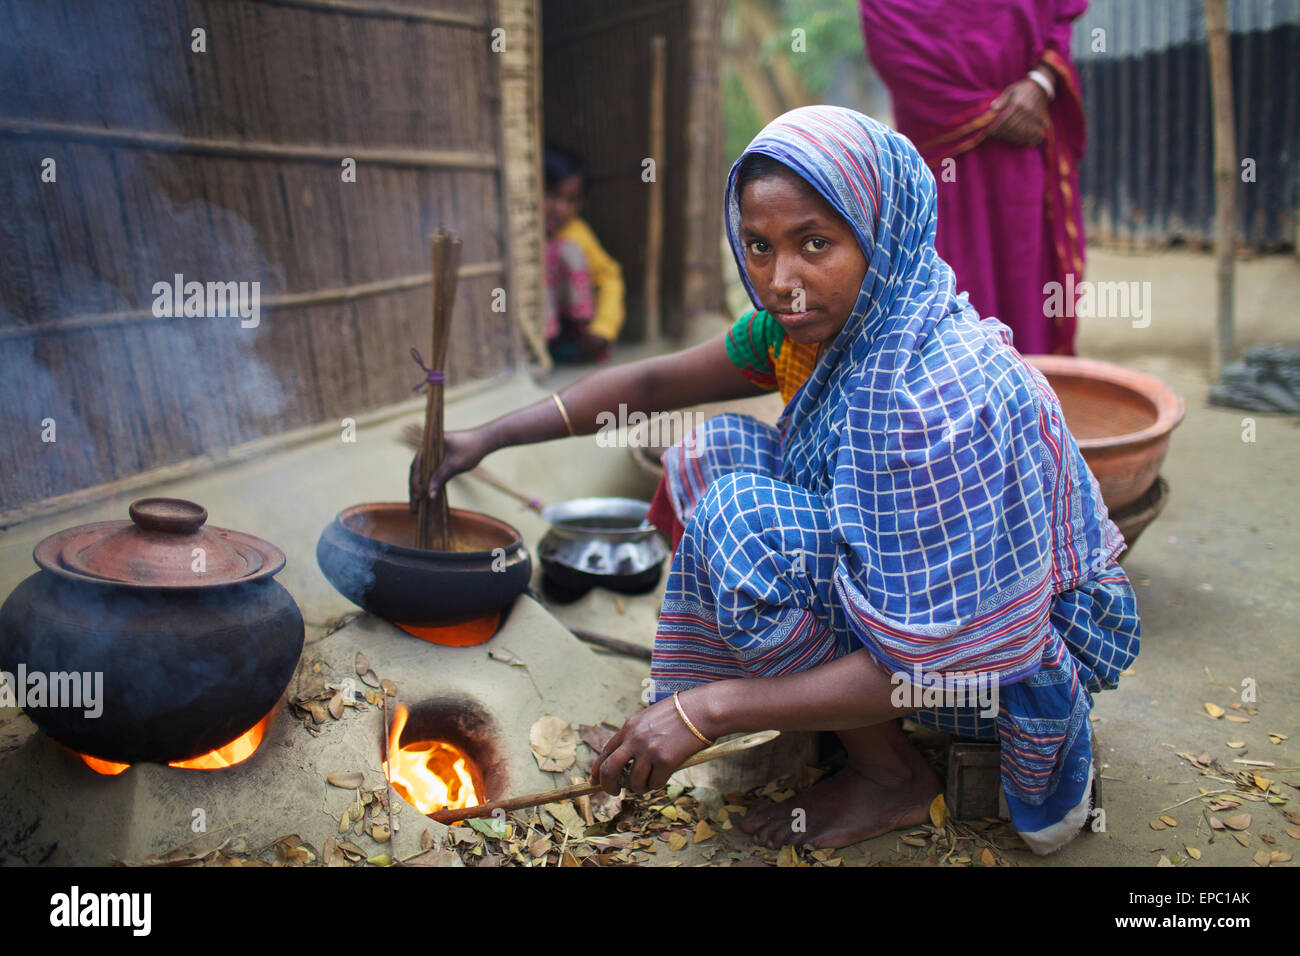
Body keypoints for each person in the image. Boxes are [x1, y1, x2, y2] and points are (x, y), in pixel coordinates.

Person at [413, 106, 1138, 854]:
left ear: (881, 233)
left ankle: (892, 775)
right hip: (915, 617)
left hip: (997, 663)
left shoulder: (935, 399)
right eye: (758, 247)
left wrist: (709, 710)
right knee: (709, 453)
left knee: (741, 524)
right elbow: (656, 382)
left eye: (814, 243)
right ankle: (830, 721)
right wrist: (488, 437)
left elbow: (946, 652)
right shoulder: (824, 326)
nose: (781, 282)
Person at [858, 0, 1088, 356]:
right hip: (945, 164)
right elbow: (894, 48)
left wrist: (1041, 81)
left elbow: (1058, 13)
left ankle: (1037, 398)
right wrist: (995, 115)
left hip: (1025, 147)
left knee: (1029, 284)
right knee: (954, 294)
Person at [543, 145, 625, 364]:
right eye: (552, 194)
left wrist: (603, 329)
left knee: (568, 251)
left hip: (572, 331)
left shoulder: (577, 233)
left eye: (570, 200)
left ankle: (573, 337)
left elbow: (609, 277)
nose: (560, 208)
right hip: (540, 329)